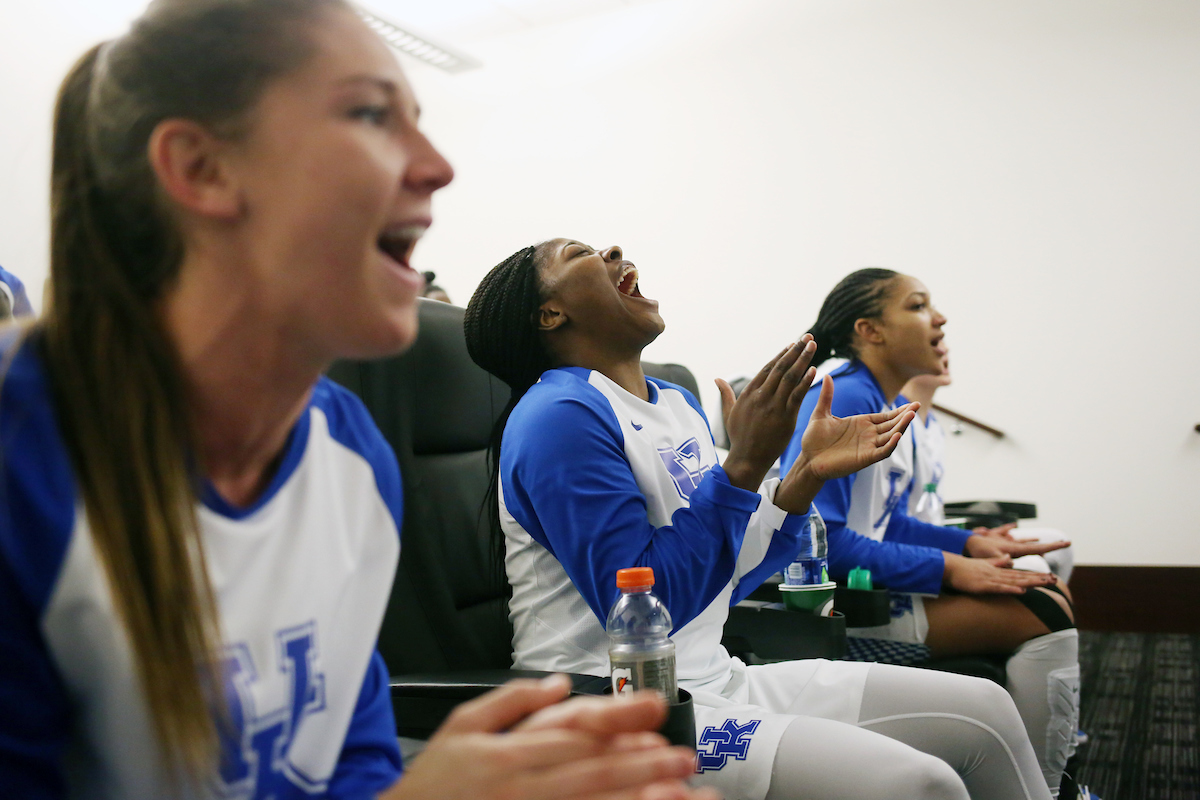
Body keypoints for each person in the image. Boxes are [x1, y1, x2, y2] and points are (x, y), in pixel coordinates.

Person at [0, 3, 710, 799]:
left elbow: (346, 763)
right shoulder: (24, 458)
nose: (439, 166)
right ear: (202, 169)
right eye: (371, 114)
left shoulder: (348, 450)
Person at [464, 239, 1057, 800]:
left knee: (987, 712)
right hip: (613, 705)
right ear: (550, 315)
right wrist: (745, 464)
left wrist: (801, 479)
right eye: (580, 253)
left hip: (713, 679)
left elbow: (720, 582)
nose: (613, 251)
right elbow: (647, 612)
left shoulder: (674, 402)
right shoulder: (558, 417)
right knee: (921, 785)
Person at [780, 268, 1093, 799]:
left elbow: (886, 521)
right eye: (919, 306)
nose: (940, 318)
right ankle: (1040, 787)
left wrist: (971, 547)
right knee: (1044, 608)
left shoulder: (877, 398)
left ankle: (1037, 774)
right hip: (839, 609)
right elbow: (820, 539)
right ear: (870, 331)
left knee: (1042, 591)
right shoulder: (845, 395)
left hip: (872, 587)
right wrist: (952, 568)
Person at [899, 353, 1075, 582]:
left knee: (1058, 543)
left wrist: (971, 536)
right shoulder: (892, 421)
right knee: (1034, 565)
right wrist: (964, 541)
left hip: (936, 531)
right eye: (934, 346)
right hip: (915, 542)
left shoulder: (933, 426)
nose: (943, 351)